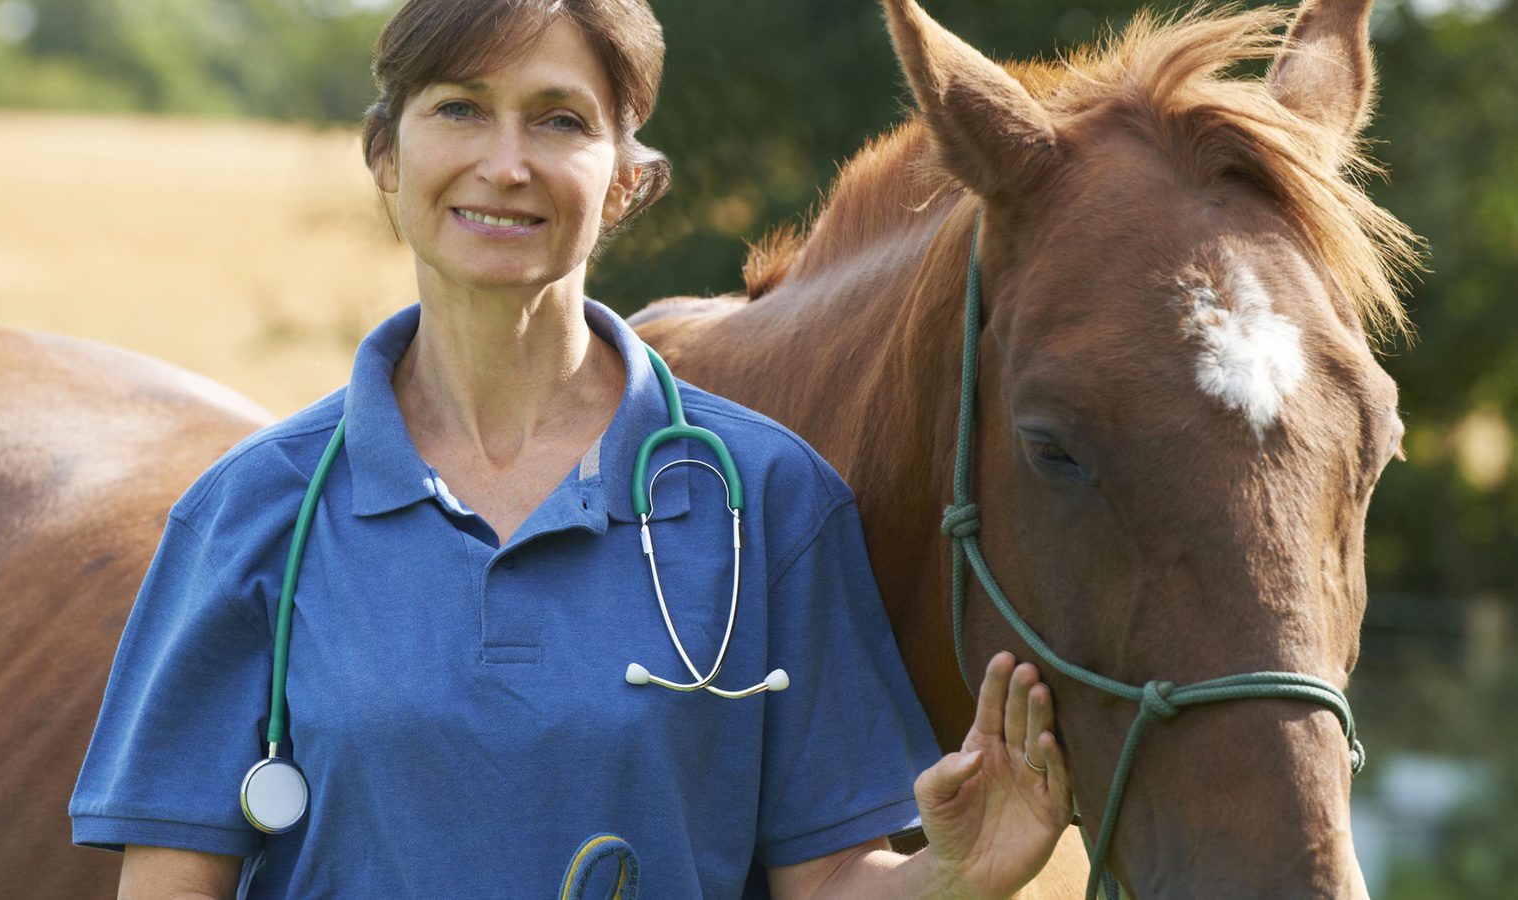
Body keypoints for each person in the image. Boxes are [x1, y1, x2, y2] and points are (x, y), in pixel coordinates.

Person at [69, 1, 1073, 897]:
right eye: (459, 108)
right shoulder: (250, 513)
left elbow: (826, 882)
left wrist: (951, 874)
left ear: (629, 181)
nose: (507, 164)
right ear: (386, 157)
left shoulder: (768, 504)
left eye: (560, 119)